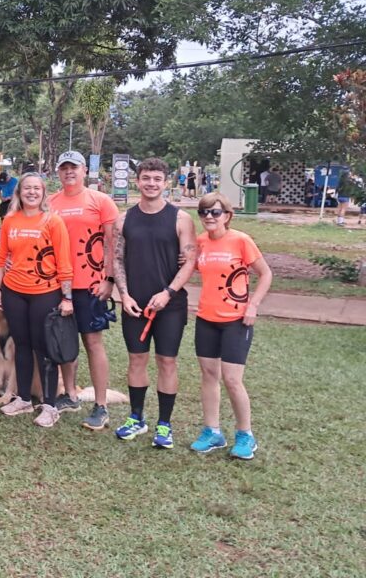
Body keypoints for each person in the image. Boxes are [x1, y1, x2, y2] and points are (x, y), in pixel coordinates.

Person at [113, 157, 198, 448]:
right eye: (146, 178)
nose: (151, 183)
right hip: (134, 304)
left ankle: (164, 424)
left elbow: (190, 262)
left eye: (157, 179)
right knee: (136, 359)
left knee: (167, 361)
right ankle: (136, 417)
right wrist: (123, 295)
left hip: (170, 305)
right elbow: (117, 260)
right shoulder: (123, 220)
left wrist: (168, 293)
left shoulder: (180, 219)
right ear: (138, 181)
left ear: (166, 183)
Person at [189, 193, 272, 460]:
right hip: (206, 319)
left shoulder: (241, 240)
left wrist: (253, 305)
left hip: (236, 321)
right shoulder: (199, 243)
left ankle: (245, 435)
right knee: (209, 376)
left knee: (232, 379)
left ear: (227, 215)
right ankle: (212, 432)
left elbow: (266, 274)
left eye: (215, 212)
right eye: (204, 213)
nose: (209, 218)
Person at [0, 173, 73, 427]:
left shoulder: (53, 221)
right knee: (22, 344)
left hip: (45, 292)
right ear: (19, 192)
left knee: (44, 348)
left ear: (43, 192)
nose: (31, 192)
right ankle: (24, 398)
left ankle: (50, 405)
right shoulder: (10, 220)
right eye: (26, 188)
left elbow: (64, 262)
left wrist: (67, 297)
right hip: (13, 290)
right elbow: (2, 256)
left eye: (36, 188)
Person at [47, 151, 118, 430]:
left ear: (84, 170)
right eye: (63, 168)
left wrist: (108, 279)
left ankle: (100, 405)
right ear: (58, 172)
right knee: (64, 342)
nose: (69, 172)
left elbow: (113, 244)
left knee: (92, 342)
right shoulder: (50, 202)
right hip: (57, 283)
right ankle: (71, 394)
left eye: (73, 167)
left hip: (90, 284)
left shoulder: (100, 201)